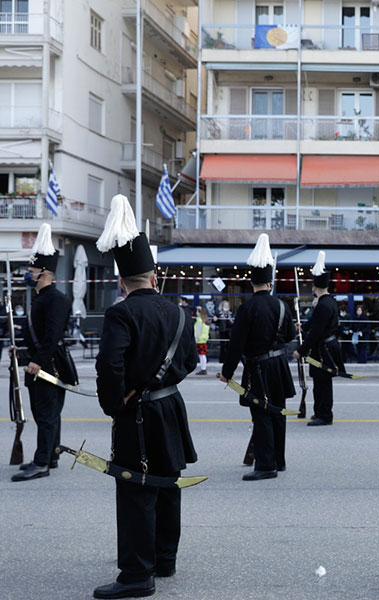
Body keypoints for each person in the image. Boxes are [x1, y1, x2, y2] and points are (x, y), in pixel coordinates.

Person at [92, 194, 199, 599]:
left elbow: (109, 365)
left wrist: (115, 404)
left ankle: (138, 574)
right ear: (154, 277)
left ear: (122, 282)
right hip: (171, 406)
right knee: (167, 483)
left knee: (136, 489)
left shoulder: (120, 313)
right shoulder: (178, 311)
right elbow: (190, 360)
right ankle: (164, 558)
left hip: (137, 412)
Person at [218, 234, 296, 481]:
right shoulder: (282, 306)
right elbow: (290, 335)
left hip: (258, 367)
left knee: (261, 414)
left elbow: (236, 345)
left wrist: (227, 372)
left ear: (252, 282)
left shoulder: (247, 308)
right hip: (279, 364)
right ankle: (278, 460)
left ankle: (265, 465)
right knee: (278, 412)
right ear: (270, 283)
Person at [11, 223, 76, 482]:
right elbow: (35, 333)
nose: (28, 275)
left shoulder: (56, 299)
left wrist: (38, 361)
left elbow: (52, 335)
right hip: (38, 362)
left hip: (49, 365)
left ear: (44, 273)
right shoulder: (41, 297)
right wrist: (20, 349)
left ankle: (42, 463)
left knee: (47, 415)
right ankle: (51, 455)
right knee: (44, 415)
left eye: (31, 272)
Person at [293, 251, 341, 427]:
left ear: (315, 287)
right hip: (323, 347)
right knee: (319, 381)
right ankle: (319, 410)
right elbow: (314, 323)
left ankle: (325, 415)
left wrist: (301, 350)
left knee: (323, 382)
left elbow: (317, 332)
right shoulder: (327, 302)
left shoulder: (323, 304)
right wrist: (303, 327)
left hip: (323, 349)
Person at [194, 306, 211, 375]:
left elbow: (197, 332)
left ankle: (203, 369)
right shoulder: (206, 321)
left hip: (199, 340)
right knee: (202, 355)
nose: (196, 313)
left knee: (201, 355)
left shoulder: (199, 321)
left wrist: (195, 339)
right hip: (204, 340)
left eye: (197, 312)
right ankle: (203, 368)